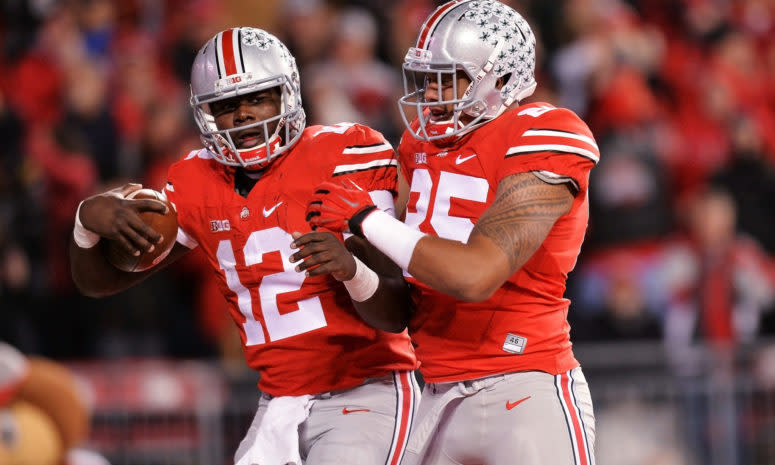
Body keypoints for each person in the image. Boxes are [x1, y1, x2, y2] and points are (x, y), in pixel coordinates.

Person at [68, 27, 419, 465]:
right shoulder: (195, 181)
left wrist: (353, 270)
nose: (244, 116)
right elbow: (100, 283)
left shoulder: (348, 152)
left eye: (258, 99)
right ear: (205, 114)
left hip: (367, 390)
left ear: (287, 94)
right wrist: (85, 223)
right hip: (278, 403)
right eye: (227, 106)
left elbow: (397, 311)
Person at [296, 1, 598, 464]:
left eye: (449, 77)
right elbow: (397, 311)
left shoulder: (543, 131)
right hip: (436, 394)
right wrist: (354, 272)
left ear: (501, 78)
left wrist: (369, 220)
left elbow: (475, 276)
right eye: (426, 78)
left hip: (525, 387)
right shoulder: (419, 147)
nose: (433, 93)